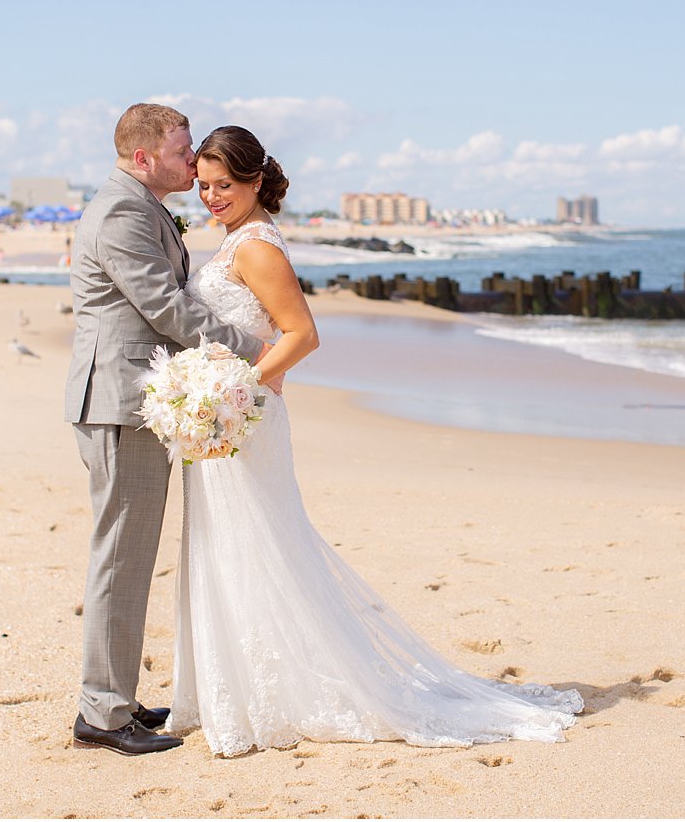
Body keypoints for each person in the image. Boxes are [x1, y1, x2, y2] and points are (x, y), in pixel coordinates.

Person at [170, 126, 583, 757]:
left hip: (241, 419)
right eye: (203, 186)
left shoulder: (255, 248)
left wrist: (237, 392)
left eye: (224, 185)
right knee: (236, 543)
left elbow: (302, 335)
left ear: (255, 181)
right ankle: (248, 687)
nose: (211, 197)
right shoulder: (234, 240)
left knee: (261, 544)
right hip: (230, 419)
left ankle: (274, 690)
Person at [63, 102, 273, 757]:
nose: (193, 162)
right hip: (119, 402)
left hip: (132, 401)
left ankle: (114, 700)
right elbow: (164, 304)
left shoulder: (139, 203)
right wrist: (251, 346)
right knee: (121, 560)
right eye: (184, 151)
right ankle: (101, 713)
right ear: (145, 156)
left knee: (129, 558)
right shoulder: (123, 211)